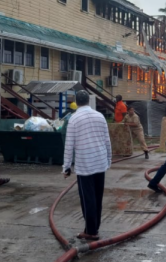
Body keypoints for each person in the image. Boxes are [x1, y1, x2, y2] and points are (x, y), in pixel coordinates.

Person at [63, 91, 112, 241]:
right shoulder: (100, 116)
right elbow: (107, 140)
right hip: (100, 161)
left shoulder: (74, 119)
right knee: (98, 196)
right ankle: (94, 227)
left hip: (85, 164)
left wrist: (66, 167)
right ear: (88, 102)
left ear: (77, 102)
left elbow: (69, 144)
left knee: (88, 198)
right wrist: (108, 159)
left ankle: (91, 232)